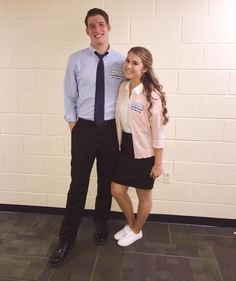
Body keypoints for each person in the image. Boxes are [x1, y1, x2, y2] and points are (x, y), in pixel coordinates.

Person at [49, 8, 124, 266]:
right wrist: (73, 124)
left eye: (100, 24)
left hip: (111, 130)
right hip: (84, 129)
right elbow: (69, 94)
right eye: (92, 26)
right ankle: (67, 238)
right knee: (78, 184)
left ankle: (101, 222)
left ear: (109, 26)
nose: (97, 29)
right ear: (87, 31)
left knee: (106, 182)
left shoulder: (121, 61)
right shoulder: (76, 60)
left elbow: (130, 94)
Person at [111, 46, 168, 247]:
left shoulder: (151, 95)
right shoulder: (122, 88)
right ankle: (132, 224)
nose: (128, 65)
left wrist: (157, 164)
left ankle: (136, 230)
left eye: (135, 63)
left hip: (144, 153)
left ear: (144, 69)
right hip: (125, 148)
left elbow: (158, 132)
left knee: (143, 194)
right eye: (127, 60)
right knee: (117, 190)